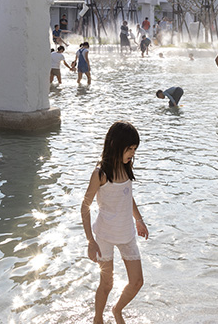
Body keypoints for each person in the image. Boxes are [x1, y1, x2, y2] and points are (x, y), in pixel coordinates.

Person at [81, 121, 148, 324]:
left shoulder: (127, 168)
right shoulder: (100, 174)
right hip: (105, 236)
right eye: (129, 149)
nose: (132, 154)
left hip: (126, 232)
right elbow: (85, 207)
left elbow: (127, 196)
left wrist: (139, 220)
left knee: (137, 281)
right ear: (115, 146)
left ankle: (117, 310)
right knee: (107, 283)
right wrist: (91, 241)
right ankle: (98, 318)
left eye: (135, 149)